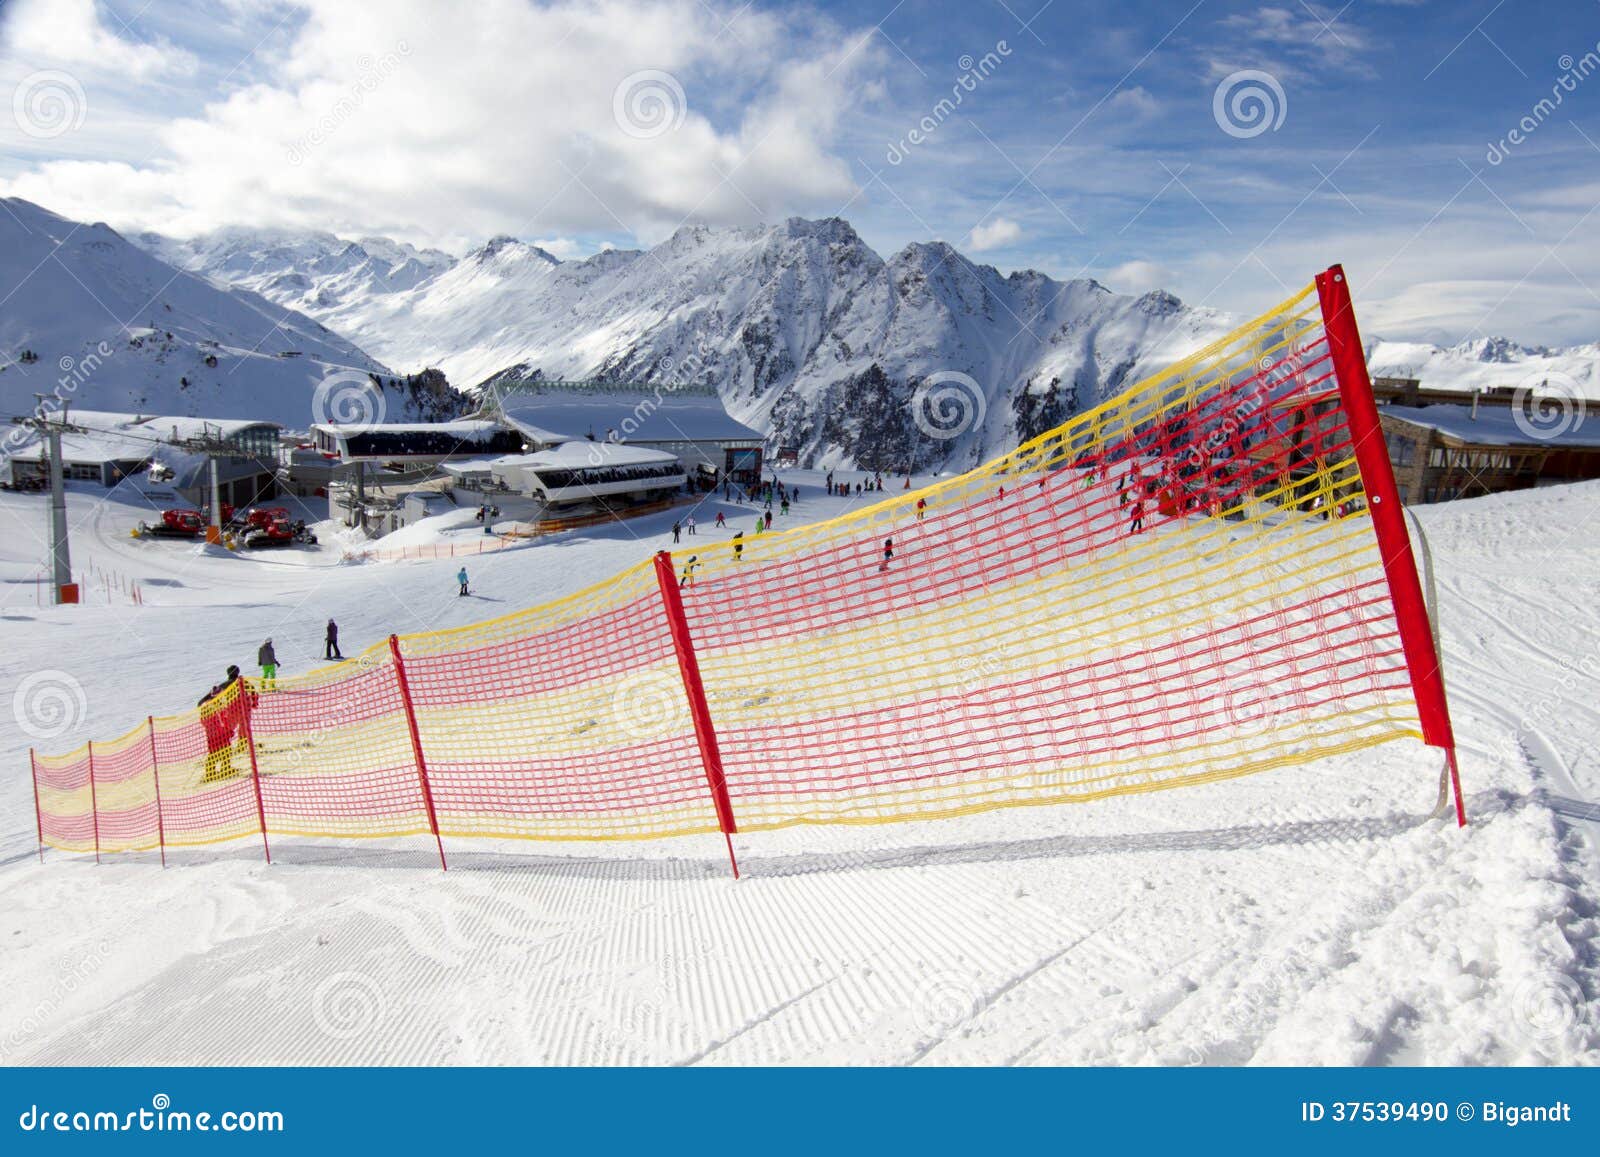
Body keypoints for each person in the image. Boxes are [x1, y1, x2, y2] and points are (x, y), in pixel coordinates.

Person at [198, 665, 246, 783]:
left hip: (219, 732)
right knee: (215, 753)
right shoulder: (209, 706)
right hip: (215, 734)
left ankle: (225, 768)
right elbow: (209, 722)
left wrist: (225, 729)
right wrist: (222, 730)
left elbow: (221, 719)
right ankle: (210, 773)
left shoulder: (215, 704)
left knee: (226, 750)